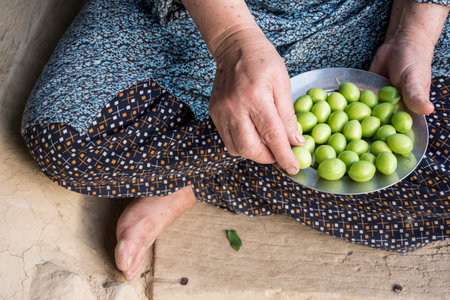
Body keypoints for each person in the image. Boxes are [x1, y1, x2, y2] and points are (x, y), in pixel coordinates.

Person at [22, 0, 449, 281]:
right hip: (193, 20)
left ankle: (201, 170)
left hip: (362, 15)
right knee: (68, 141)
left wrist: (411, 36)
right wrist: (232, 41)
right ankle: (236, 143)